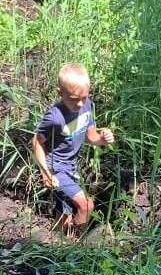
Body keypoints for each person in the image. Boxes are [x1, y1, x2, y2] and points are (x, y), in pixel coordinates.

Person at [31, 63, 116, 235]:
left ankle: (54, 244)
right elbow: (36, 142)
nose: (79, 103)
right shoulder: (55, 117)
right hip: (55, 169)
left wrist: (103, 139)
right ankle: (76, 246)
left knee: (65, 214)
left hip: (71, 167)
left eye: (83, 97)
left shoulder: (86, 105)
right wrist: (45, 173)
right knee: (86, 205)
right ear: (60, 92)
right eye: (73, 98)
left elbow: (92, 137)